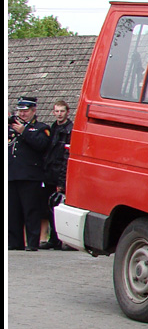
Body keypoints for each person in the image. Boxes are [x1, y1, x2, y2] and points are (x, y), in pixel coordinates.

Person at [8, 96, 52, 251]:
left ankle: (32, 243)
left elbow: (42, 145)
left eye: (25, 111)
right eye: (20, 111)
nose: (22, 114)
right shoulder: (11, 127)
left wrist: (24, 132)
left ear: (34, 111)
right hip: (12, 174)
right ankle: (14, 242)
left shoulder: (41, 128)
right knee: (12, 211)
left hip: (30, 176)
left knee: (31, 210)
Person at [41, 100, 74, 250]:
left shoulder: (69, 130)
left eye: (62, 111)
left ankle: (64, 240)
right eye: (57, 111)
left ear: (67, 112)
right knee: (50, 209)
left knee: (62, 207)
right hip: (50, 174)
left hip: (61, 174)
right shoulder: (53, 128)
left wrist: (61, 182)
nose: (59, 114)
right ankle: (53, 239)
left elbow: (66, 157)